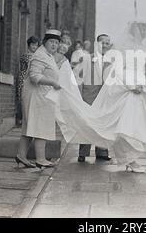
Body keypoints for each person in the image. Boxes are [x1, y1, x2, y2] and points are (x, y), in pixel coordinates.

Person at [52, 23, 146, 173]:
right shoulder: (118, 51)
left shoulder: (140, 51)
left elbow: (141, 70)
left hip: (132, 90)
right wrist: (131, 85)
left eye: (143, 32)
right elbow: (117, 71)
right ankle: (126, 159)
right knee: (118, 125)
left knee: (129, 125)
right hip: (120, 90)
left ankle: (126, 158)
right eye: (139, 31)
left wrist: (143, 83)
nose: (141, 34)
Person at [16, 29, 67, 169]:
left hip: (42, 96)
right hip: (36, 96)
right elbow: (34, 76)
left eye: (57, 43)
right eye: (51, 42)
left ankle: (21, 156)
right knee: (40, 126)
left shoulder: (48, 55)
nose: (54, 45)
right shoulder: (40, 55)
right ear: (45, 42)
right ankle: (41, 159)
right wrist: (53, 82)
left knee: (30, 126)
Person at [76, 34, 113, 163]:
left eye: (108, 43)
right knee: (87, 124)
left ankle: (102, 151)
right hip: (89, 96)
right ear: (97, 43)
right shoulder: (87, 59)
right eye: (103, 42)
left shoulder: (110, 61)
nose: (105, 45)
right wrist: (80, 97)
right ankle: (83, 153)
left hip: (103, 98)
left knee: (102, 124)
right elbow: (79, 79)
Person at [16, 36, 40, 125]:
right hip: (24, 78)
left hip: (32, 79)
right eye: (33, 45)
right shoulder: (26, 55)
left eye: (36, 45)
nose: (34, 47)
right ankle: (21, 119)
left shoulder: (36, 56)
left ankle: (29, 120)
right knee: (23, 99)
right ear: (29, 45)